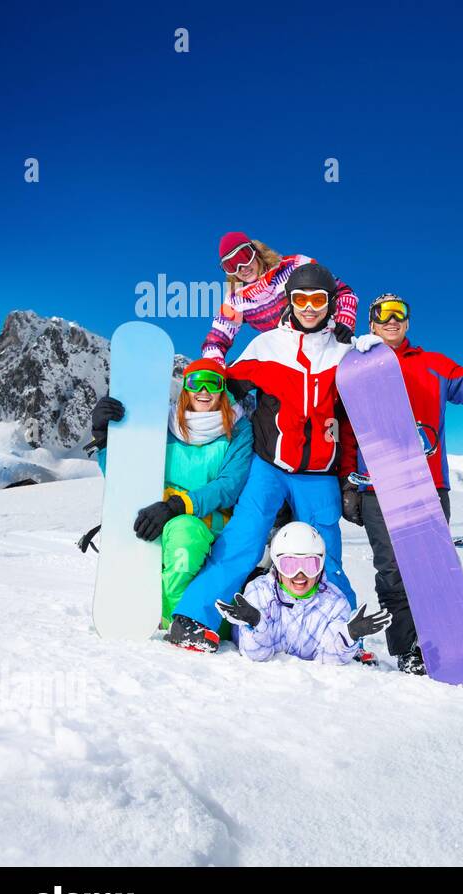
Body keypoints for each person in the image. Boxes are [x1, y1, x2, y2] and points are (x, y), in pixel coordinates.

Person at [166, 262, 377, 652]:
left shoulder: (346, 353)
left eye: (318, 299)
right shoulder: (266, 347)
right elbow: (220, 388)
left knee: (326, 559)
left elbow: (350, 424)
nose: (309, 307)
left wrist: (349, 478)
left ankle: (346, 637)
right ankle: (192, 620)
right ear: (289, 301)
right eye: (301, 299)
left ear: (331, 303)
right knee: (241, 543)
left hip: (319, 475)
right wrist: (182, 412)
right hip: (269, 467)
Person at [340, 292, 463, 675]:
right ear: (371, 323)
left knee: (431, 569)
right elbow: (346, 431)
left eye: (399, 313)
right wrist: (349, 484)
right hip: (377, 487)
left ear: (407, 322)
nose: (392, 320)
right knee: (391, 571)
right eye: (382, 314)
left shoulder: (432, 364)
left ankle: (441, 643)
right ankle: (409, 649)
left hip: (428, 485)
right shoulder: (357, 369)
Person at [88, 359, 254, 624]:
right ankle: (141, 607)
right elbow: (128, 475)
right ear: (185, 388)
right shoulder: (162, 423)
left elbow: (229, 485)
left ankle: (181, 620)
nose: (203, 390)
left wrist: (177, 507)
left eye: (213, 383)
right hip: (156, 518)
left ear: (223, 390)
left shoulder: (238, 430)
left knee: (184, 535)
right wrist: (104, 437)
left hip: (206, 524)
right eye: (194, 382)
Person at [215, 522, 390, 665]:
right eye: (289, 565)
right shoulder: (260, 592)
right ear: (276, 566)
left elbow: (329, 659)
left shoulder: (334, 603)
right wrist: (257, 622)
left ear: (321, 566)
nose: (300, 574)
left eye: (309, 565)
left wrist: (348, 635)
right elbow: (257, 655)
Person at [202, 231, 358, 361]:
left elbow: (344, 292)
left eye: (244, 257)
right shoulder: (236, 299)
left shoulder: (295, 267)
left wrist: (344, 321)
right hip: (284, 358)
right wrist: (214, 366)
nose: (242, 268)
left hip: (321, 347)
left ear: (255, 251)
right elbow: (216, 339)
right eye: (231, 265)